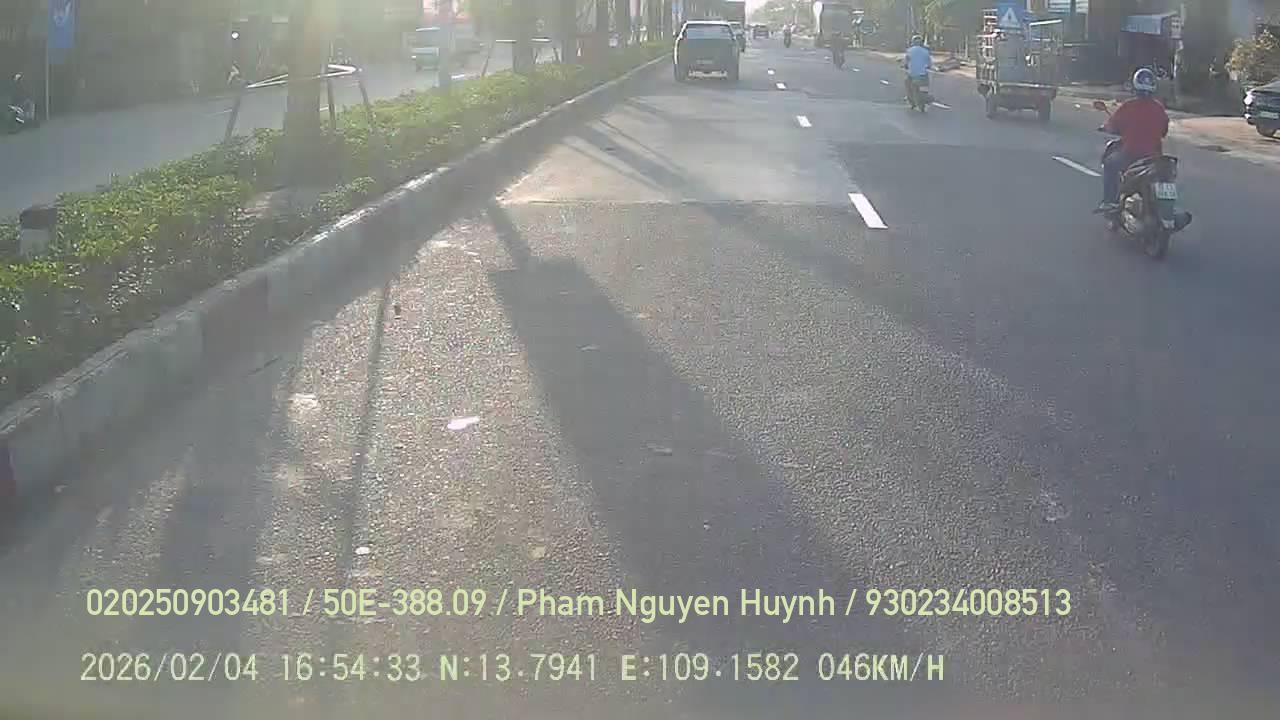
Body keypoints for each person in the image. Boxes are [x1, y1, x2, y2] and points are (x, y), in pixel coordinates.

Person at [1096, 68, 1170, 214]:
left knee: (1110, 164)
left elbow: (1113, 125)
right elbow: (1164, 131)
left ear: (1135, 87)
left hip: (1131, 154)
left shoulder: (1128, 106)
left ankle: (1110, 201)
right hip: (1155, 158)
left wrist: (1105, 127)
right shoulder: (1159, 108)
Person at [904, 35, 931, 101]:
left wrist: (905, 66)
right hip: (923, 74)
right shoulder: (925, 51)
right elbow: (929, 63)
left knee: (907, 83)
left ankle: (909, 96)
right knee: (925, 85)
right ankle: (925, 95)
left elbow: (906, 61)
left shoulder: (909, 50)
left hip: (912, 73)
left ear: (913, 42)